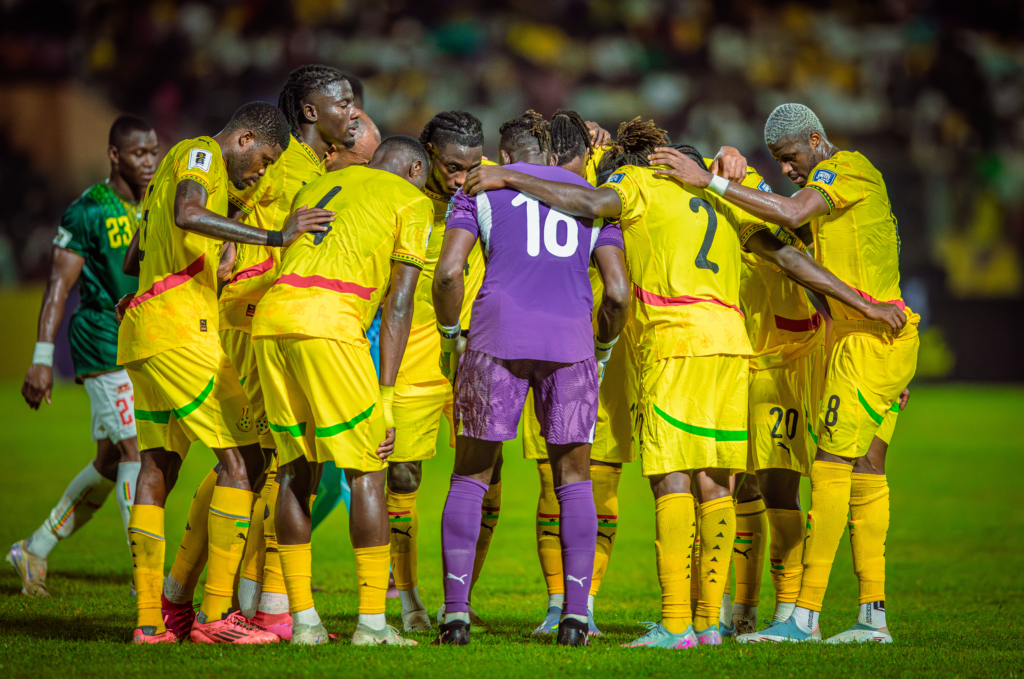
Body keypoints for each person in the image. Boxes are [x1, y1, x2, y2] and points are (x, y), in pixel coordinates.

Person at [462, 117, 905, 649]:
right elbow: (789, 256)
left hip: (676, 344)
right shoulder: (716, 195)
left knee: (671, 480)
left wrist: (512, 177)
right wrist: (864, 306)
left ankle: (675, 625)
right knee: (719, 485)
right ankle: (710, 625)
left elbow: (591, 203)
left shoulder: (635, 183)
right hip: (732, 346)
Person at [648, 103, 918, 644]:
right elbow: (817, 266)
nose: (788, 169)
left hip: (864, 337)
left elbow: (791, 216)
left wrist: (710, 180)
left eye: (791, 157)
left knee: (830, 469)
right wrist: (726, 159)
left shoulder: (845, 170)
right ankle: (872, 617)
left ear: (816, 139)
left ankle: (803, 616)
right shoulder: (826, 202)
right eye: (778, 161)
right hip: (865, 338)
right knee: (866, 469)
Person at [156, 64, 366, 642]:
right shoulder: (282, 163)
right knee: (261, 461)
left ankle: (223, 601)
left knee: (263, 461)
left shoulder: (311, 166)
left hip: (275, 321)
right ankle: (222, 603)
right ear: (310, 112)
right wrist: (238, 251)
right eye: (343, 103)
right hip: (252, 320)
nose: (352, 113)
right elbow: (224, 203)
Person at [116, 101, 331, 644]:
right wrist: (275, 237)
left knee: (156, 466)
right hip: (182, 329)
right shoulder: (201, 153)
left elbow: (135, 256)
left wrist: (219, 242)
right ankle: (215, 616)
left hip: (146, 328)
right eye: (264, 160)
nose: (261, 172)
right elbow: (188, 213)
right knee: (245, 461)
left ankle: (151, 621)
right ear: (244, 139)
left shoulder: (168, 170)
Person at [432, 111, 630, 648]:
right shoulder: (594, 199)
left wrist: (451, 335)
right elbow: (617, 293)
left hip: (495, 338)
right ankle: (575, 618)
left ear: (508, 155)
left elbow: (448, 274)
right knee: (574, 481)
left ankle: (455, 617)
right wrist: (602, 348)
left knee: (470, 477)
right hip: (571, 345)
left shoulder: (480, 190)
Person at [252, 135, 431, 646]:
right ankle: (372, 625)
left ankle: (304, 623)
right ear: (415, 170)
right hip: (331, 322)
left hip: (273, 320)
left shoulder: (319, 184)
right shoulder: (411, 200)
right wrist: (387, 399)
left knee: (295, 470)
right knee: (368, 470)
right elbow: (399, 303)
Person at [8, 115, 158, 598]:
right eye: (139, 153)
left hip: (145, 339)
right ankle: (145, 577)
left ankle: (34, 548)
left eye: (154, 152)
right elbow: (58, 285)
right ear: (115, 155)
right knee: (136, 449)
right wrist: (41, 357)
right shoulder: (87, 210)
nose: (149, 162)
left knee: (111, 462)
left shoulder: (157, 202)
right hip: (101, 338)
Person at [521, 110, 629, 637]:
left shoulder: (615, 186)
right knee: (556, 481)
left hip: (605, 353)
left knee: (597, 484)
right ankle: (557, 603)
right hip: (557, 348)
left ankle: (585, 602)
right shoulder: (538, 189)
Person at [386, 111, 494, 633]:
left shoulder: (492, 184)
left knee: (488, 479)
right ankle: (407, 597)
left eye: (471, 166)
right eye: (452, 166)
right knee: (403, 473)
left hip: (480, 352)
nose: (461, 177)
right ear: (428, 152)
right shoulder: (400, 193)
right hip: (416, 355)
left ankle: (461, 598)